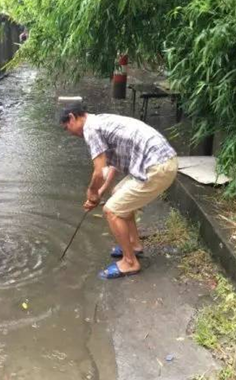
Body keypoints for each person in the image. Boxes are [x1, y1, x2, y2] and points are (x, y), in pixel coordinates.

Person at [60, 103, 178, 279]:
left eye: (67, 127)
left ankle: (130, 263)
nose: (69, 133)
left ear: (72, 117)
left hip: (156, 166)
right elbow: (111, 166)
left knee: (112, 210)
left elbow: (99, 170)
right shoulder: (100, 121)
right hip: (161, 161)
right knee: (117, 194)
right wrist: (99, 192)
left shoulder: (91, 129)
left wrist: (92, 192)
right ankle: (134, 245)